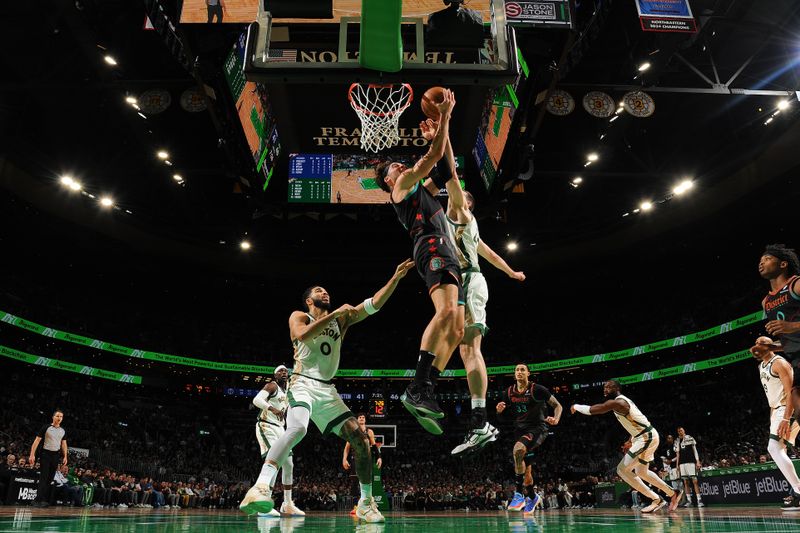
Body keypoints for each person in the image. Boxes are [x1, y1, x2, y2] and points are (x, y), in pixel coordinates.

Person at [238, 259, 414, 523]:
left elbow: (374, 304)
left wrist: (395, 278)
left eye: (325, 290)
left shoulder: (341, 322)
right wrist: (335, 314)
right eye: (318, 291)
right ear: (309, 300)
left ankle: (366, 503)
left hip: (327, 391)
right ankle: (260, 487)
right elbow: (302, 336)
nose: (325, 293)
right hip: (302, 383)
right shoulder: (300, 316)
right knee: (298, 429)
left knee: (360, 437)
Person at [374, 89, 464, 434]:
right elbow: (434, 154)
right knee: (443, 314)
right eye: (395, 166)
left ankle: (426, 389)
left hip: (446, 251)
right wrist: (445, 118)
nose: (401, 164)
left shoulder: (420, 189)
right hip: (431, 247)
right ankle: (415, 386)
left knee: (456, 329)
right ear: (388, 180)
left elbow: (447, 167)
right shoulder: (401, 189)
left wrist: (444, 128)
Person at [431, 130, 525, 455]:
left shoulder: (460, 213)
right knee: (464, 351)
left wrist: (441, 137)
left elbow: (452, 176)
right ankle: (478, 421)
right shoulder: (468, 231)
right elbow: (493, 255)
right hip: (469, 281)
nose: (451, 198)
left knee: (470, 349)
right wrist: (511, 272)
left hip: (469, 282)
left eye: (457, 196)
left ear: (465, 203)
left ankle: (481, 422)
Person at [571, 380, 680, 513]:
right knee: (641, 472)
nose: (604, 389)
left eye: (608, 387)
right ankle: (672, 493)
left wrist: (576, 406)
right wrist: (631, 440)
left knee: (622, 470)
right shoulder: (620, 402)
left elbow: (592, 410)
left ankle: (657, 498)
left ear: (616, 388)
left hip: (646, 437)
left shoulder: (618, 402)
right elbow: (635, 422)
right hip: (644, 436)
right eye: (604, 387)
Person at [496, 363, 561, 514]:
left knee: (518, 450)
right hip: (520, 431)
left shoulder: (537, 389)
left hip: (538, 428)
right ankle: (532, 497)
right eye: (517, 370)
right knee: (527, 475)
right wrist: (499, 412)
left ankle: (518, 494)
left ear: (528, 373)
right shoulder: (508, 392)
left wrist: (556, 419)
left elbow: (558, 405)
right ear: (514, 374)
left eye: (522, 370)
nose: (519, 372)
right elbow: (503, 418)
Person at [750, 335, 800, 510]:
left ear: (769, 346)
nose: (757, 346)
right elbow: (771, 395)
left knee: (774, 448)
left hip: (789, 406)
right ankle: (796, 494)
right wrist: (773, 417)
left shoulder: (780, 363)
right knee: (780, 450)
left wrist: (786, 417)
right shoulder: (761, 366)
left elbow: (791, 391)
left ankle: (798, 490)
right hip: (776, 409)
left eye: (761, 343)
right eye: (756, 343)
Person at [251, 364, 303, 517]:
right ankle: (264, 503)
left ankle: (287, 504)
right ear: (275, 375)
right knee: (274, 462)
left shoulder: (288, 392)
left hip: (281, 429)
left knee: (289, 464)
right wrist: (272, 409)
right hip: (266, 425)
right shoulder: (272, 385)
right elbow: (257, 400)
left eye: (286, 371)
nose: (284, 372)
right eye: (280, 371)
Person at [759, 244, 800, 414]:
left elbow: (792, 329)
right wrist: (772, 347)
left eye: (767, 259)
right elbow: (791, 341)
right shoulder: (766, 302)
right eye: (760, 260)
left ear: (783, 264)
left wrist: (793, 326)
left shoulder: (796, 285)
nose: (761, 263)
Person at [343, 413, 383, 516]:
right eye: (359, 417)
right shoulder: (353, 432)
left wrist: (379, 457)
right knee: (355, 482)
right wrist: (344, 459)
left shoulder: (369, 431)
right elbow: (347, 447)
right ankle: (358, 506)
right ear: (357, 420)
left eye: (363, 417)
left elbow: (374, 446)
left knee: (366, 481)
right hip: (355, 458)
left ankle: (367, 504)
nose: (361, 418)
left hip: (367, 459)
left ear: (365, 420)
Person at [29, 409, 68, 508]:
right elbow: (36, 441)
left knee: (50, 478)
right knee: (44, 477)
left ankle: (40, 498)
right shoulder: (46, 427)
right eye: (57, 416)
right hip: (45, 454)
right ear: (53, 417)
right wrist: (32, 454)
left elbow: (64, 444)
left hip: (56, 455)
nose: (59, 418)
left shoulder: (62, 430)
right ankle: (37, 500)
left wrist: (65, 456)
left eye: (61, 417)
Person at [675, 427, 703, 507]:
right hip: (682, 464)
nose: (680, 432)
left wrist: (697, 461)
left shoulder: (690, 438)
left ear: (684, 431)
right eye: (678, 431)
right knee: (685, 482)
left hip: (691, 462)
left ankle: (699, 500)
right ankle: (689, 501)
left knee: (695, 481)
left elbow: (695, 450)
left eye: (681, 430)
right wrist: (677, 465)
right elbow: (677, 454)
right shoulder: (677, 441)